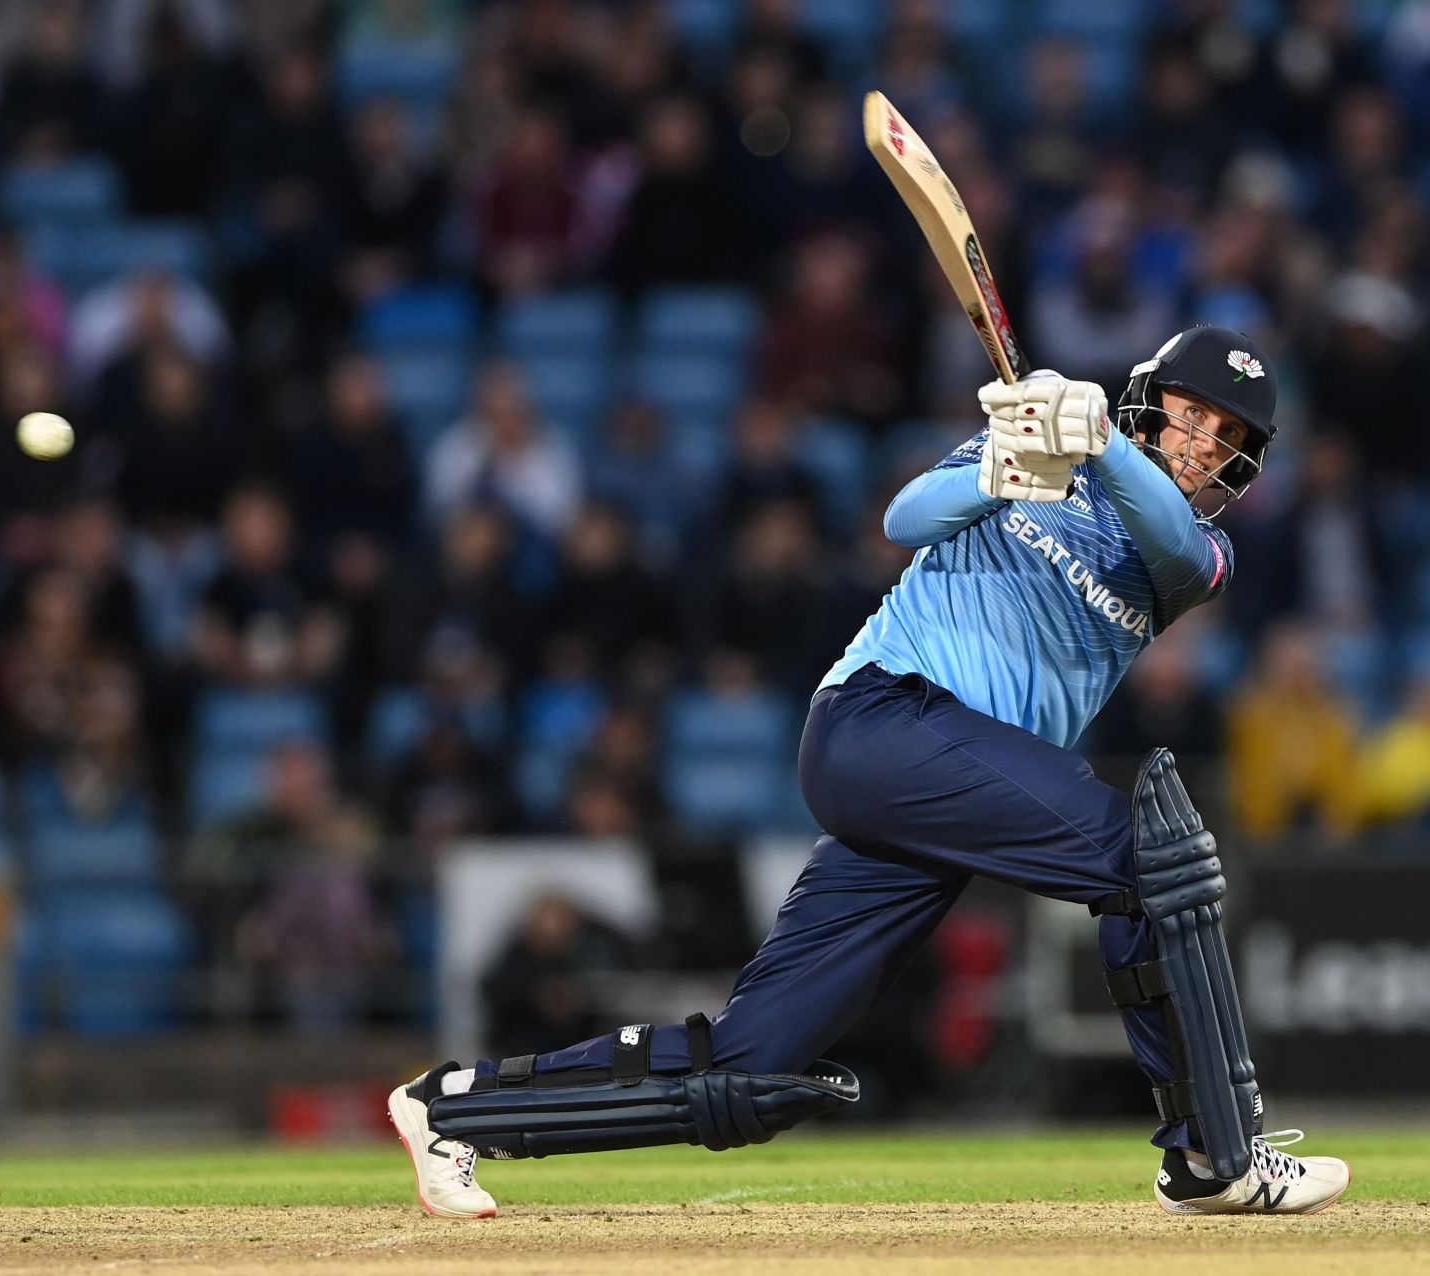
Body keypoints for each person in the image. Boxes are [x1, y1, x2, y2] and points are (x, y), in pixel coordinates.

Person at [386, 325, 1351, 1218]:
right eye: (1189, 414)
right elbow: (904, 516)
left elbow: (1173, 541)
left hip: (936, 784)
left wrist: (1098, 443)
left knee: (753, 1067)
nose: (1200, 443)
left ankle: (457, 1109)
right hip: (882, 721)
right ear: (1149, 401)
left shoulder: (1195, 552)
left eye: (1225, 436)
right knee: (1147, 860)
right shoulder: (1031, 457)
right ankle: (1213, 1156)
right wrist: (1010, 470)